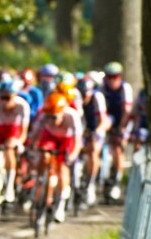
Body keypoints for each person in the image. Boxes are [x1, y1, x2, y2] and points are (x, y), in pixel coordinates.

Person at [31, 93, 83, 223]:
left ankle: (60, 206)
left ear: (62, 113)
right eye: (47, 117)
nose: (50, 121)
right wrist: (32, 150)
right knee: (43, 154)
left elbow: (77, 142)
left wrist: (71, 156)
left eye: (53, 117)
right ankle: (41, 179)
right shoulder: (45, 115)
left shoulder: (72, 116)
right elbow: (35, 134)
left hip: (66, 140)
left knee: (63, 170)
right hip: (50, 137)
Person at [101, 61, 134, 201]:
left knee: (118, 147)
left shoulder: (125, 88)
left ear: (120, 77)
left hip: (124, 121)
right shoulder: (102, 88)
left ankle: (117, 180)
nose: (112, 80)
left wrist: (121, 130)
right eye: (109, 77)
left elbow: (127, 112)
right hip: (110, 119)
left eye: (115, 77)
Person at [77, 75, 109, 206]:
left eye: (86, 95)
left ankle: (90, 183)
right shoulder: (75, 98)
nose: (84, 98)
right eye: (82, 95)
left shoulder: (97, 97)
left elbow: (103, 121)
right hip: (82, 128)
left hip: (96, 127)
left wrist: (96, 133)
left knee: (93, 150)